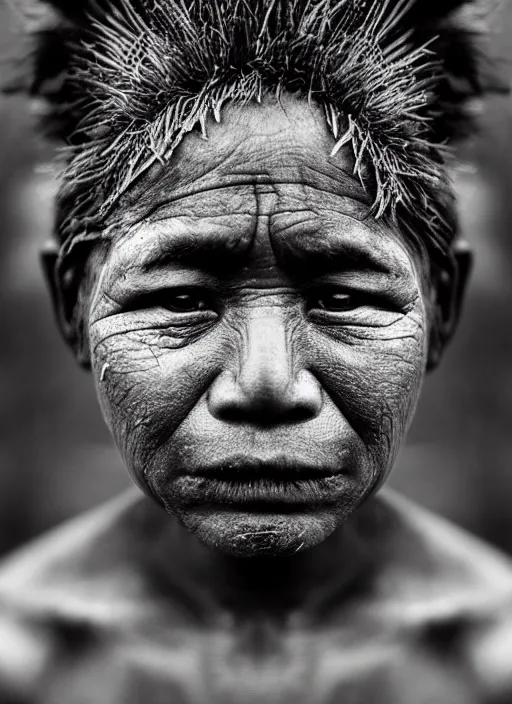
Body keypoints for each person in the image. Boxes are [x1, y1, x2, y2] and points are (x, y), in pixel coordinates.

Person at [1, 0, 512, 701]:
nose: (267, 385)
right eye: (180, 300)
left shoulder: (492, 662)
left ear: (443, 306)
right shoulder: (20, 661)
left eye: (341, 298)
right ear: (72, 305)